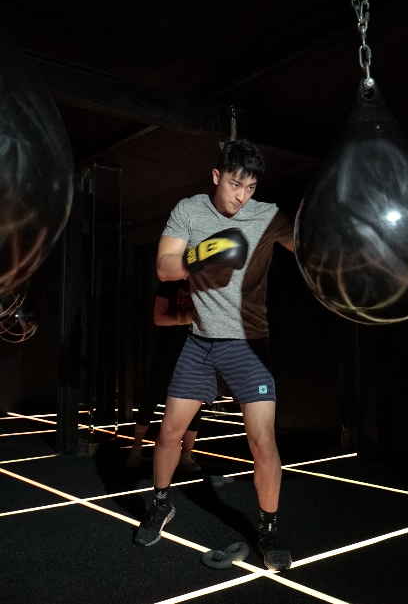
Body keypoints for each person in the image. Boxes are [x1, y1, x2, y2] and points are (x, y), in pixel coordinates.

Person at [134, 139, 295, 571]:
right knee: (169, 433)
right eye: (235, 184)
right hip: (200, 342)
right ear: (216, 176)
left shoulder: (268, 215)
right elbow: (165, 267)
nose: (242, 196)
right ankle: (161, 505)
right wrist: (204, 252)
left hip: (249, 344)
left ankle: (269, 528)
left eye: (250, 187)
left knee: (262, 442)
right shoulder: (189, 210)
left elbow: (310, 247)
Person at [127, 279, 202, 472]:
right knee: (153, 395)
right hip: (168, 349)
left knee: (195, 401)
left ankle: (186, 455)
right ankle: (136, 448)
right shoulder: (170, 284)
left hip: (195, 351)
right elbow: (159, 318)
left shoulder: (204, 282)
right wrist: (190, 317)